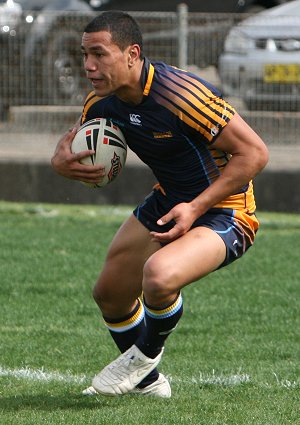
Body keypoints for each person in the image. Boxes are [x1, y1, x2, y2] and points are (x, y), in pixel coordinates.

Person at [51, 11, 269, 398]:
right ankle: (150, 385)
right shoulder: (102, 103)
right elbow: (90, 147)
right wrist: (62, 164)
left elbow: (254, 153)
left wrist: (196, 207)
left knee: (159, 275)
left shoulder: (181, 94)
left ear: (132, 54)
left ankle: (141, 358)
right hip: (169, 198)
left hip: (227, 209)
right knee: (111, 291)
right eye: (85, 55)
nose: (88, 66)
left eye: (99, 54)